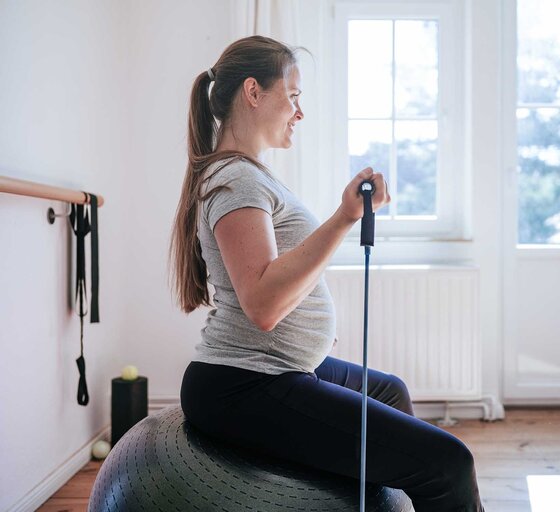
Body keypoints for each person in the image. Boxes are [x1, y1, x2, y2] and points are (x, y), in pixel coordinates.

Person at [169, 35, 484, 512]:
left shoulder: (249, 173)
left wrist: (312, 332)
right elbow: (263, 304)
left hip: (275, 367)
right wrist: (345, 218)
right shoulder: (235, 180)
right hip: (245, 384)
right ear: (253, 92)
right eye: (293, 96)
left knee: (390, 390)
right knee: (450, 464)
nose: (300, 112)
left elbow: (274, 278)